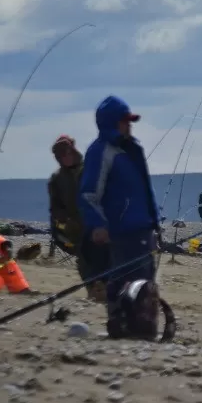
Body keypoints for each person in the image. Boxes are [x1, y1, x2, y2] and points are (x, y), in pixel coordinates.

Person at [79, 96, 162, 338]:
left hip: (142, 229)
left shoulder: (131, 150)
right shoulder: (100, 151)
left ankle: (144, 328)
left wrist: (154, 222)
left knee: (145, 282)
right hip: (121, 232)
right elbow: (88, 195)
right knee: (124, 281)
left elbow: (143, 191)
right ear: (112, 123)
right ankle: (122, 326)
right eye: (125, 121)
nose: (130, 125)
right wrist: (98, 225)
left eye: (130, 121)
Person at [48, 135, 108, 301]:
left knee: (105, 256)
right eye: (61, 156)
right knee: (84, 261)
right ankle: (92, 290)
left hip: (98, 223)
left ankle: (105, 289)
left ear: (73, 151)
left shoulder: (90, 169)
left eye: (67, 153)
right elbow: (55, 207)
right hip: (75, 228)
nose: (65, 157)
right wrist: (64, 221)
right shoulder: (57, 179)